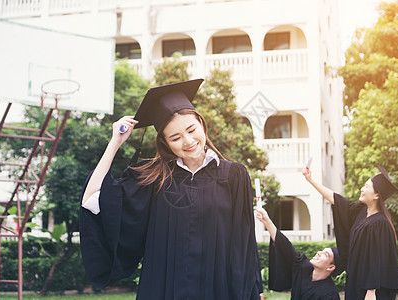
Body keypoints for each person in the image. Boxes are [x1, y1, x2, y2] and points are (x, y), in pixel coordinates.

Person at [79, 79, 263, 299]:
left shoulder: (234, 175)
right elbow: (92, 199)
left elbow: (244, 244)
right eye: (175, 137)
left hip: (218, 290)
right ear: (165, 143)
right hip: (164, 290)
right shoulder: (154, 179)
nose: (188, 141)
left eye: (191, 129)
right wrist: (115, 143)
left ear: (202, 125)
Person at [302, 165, 398, 300]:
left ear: (376, 195)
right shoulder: (361, 212)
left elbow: (377, 259)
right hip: (356, 283)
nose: (362, 189)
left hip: (370, 290)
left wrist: (371, 291)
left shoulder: (380, 224)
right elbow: (336, 200)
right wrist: (311, 180)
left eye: (367, 186)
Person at [255, 206, 343, 300]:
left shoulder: (329, 295)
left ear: (331, 267)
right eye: (322, 250)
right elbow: (285, 247)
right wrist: (266, 221)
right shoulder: (304, 269)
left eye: (326, 254)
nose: (319, 253)